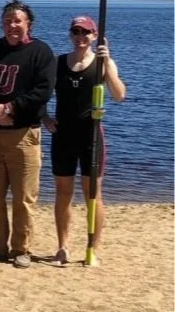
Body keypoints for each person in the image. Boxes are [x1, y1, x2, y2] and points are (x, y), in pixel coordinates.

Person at [0, 0, 56, 268]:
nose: (12, 25)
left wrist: (10, 108)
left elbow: (43, 90)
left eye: (17, 20)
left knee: (24, 196)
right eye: (7, 21)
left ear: (28, 23)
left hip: (24, 134)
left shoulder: (41, 52)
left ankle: (22, 248)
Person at [45, 15, 126, 266]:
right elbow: (38, 91)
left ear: (94, 36)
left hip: (91, 137)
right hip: (63, 136)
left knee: (93, 194)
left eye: (86, 33)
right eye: (76, 32)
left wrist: (106, 62)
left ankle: (93, 247)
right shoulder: (58, 63)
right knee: (63, 193)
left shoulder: (103, 63)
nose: (80, 37)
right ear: (70, 34)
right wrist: (44, 118)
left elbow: (119, 95)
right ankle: (62, 247)